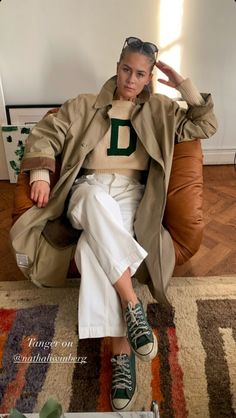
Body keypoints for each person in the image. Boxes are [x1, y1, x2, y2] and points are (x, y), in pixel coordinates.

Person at [20, 36, 217, 411]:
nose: (130, 78)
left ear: (148, 79)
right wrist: (41, 173)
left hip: (131, 194)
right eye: (126, 69)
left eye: (140, 74)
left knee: (91, 250)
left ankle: (121, 353)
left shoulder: (161, 110)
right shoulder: (83, 105)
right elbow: (47, 133)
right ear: (117, 66)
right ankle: (132, 304)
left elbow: (205, 125)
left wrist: (184, 88)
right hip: (88, 187)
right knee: (95, 202)